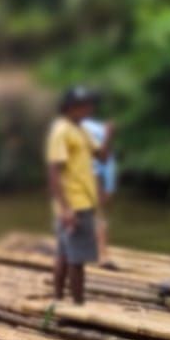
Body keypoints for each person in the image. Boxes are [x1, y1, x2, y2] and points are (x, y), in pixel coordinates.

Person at [46, 87, 110, 305]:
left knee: (65, 255)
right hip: (74, 204)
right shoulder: (61, 131)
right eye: (84, 105)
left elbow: (101, 157)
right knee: (77, 259)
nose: (89, 109)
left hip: (84, 201)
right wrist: (66, 208)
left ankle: (58, 299)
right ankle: (78, 304)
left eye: (89, 105)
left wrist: (108, 136)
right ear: (71, 107)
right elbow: (54, 172)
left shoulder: (81, 130)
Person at [80, 106, 118, 269]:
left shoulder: (96, 129)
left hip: (91, 175)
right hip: (80, 176)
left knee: (96, 216)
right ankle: (95, 253)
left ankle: (102, 254)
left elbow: (107, 158)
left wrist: (109, 185)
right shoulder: (67, 129)